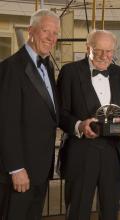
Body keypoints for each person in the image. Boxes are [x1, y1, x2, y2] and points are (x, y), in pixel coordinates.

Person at [57, 29, 120, 220]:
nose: (105, 56)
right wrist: (79, 125)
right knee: (78, 211)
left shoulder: (119, 73)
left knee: (111, 211)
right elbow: (59, 113)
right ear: (88, 48)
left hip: (113, 152)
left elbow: (116, 108)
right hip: (81, 152)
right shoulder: (70, 71)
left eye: (109, 51)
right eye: (99, 50)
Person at [0, 9, 60, 220]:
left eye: (55, 33)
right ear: (31, 31)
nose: (51, 38)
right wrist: (16, 168)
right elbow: (6, 123)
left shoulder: (48, 67)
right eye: (46, 31)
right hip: (21, 170)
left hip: (41, 168)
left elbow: (50, 113)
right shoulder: (11, 68)